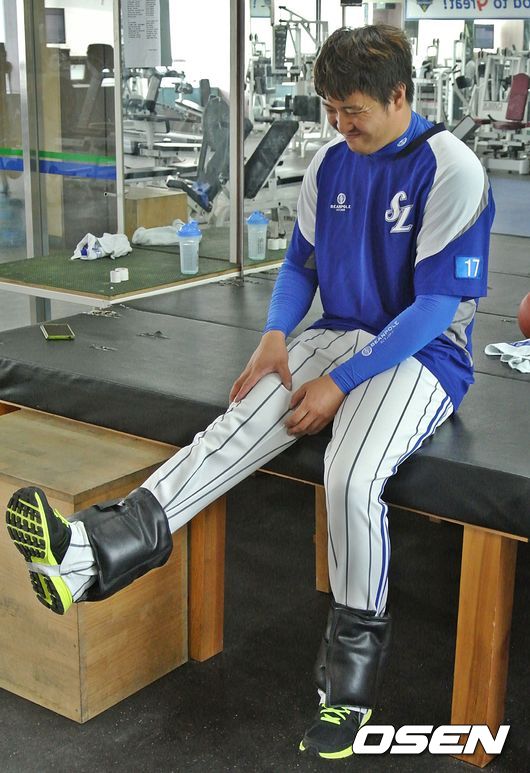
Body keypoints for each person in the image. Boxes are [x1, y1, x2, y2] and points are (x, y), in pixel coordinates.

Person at [6, 24, 494, 760]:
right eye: (331, 108)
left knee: (351, 473)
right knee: (235, 425)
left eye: (353, 109)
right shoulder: (331, 163)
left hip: (425, 352)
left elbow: (432, 309)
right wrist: (273, 335)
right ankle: (90, 554)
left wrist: (338, 384)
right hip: (337, 330)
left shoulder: (451, 167)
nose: (340, 123)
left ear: (400, 95)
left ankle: (349, 688)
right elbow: (299, 267)